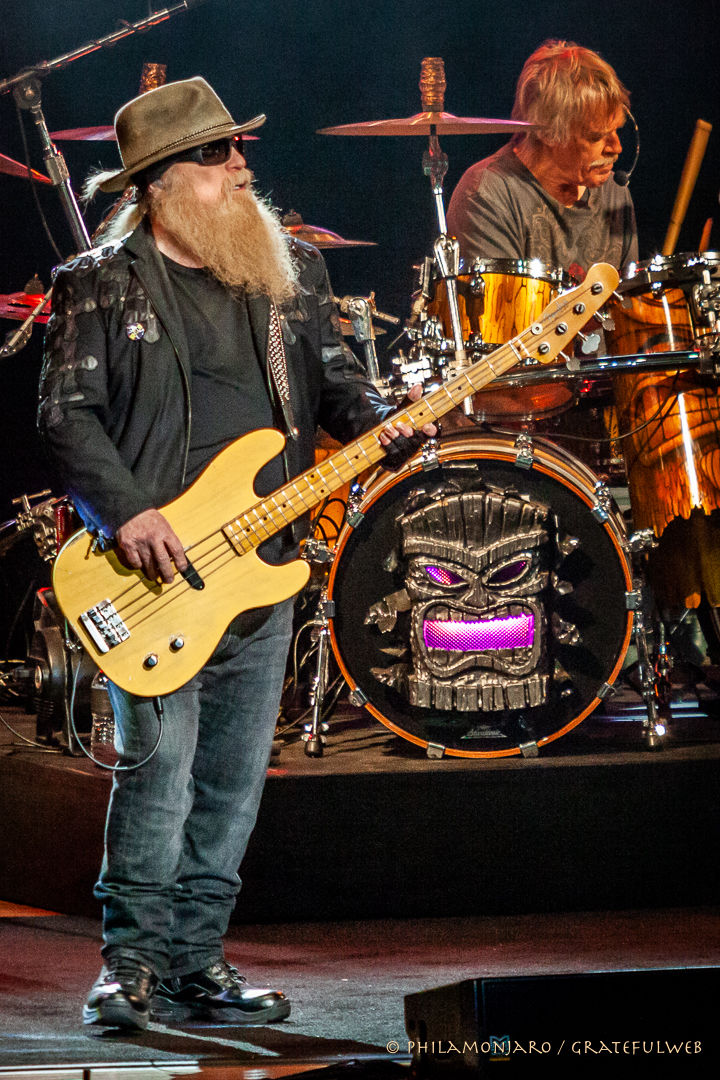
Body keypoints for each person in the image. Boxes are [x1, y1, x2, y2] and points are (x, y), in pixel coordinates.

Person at [39, 77, 434, 1032]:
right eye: (216, 155)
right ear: (163, 183)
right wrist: (127, 512)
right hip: (153, 575)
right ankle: (127, 969)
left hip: (262, 570)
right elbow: (65, 415)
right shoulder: (101, 281)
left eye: (239, 149)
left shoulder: (286, 270)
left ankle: (195, 966)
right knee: (158, 770)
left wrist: (389, 421)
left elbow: (338, 386)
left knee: (229, 782)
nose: (240, 166)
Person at [446, 40, 639, 279]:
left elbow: (629, 306)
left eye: (617, 130)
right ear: (546, 132)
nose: (617, 148)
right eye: (596, 136)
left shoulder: (615, 194)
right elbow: (505, 316)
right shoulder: (487, 194)